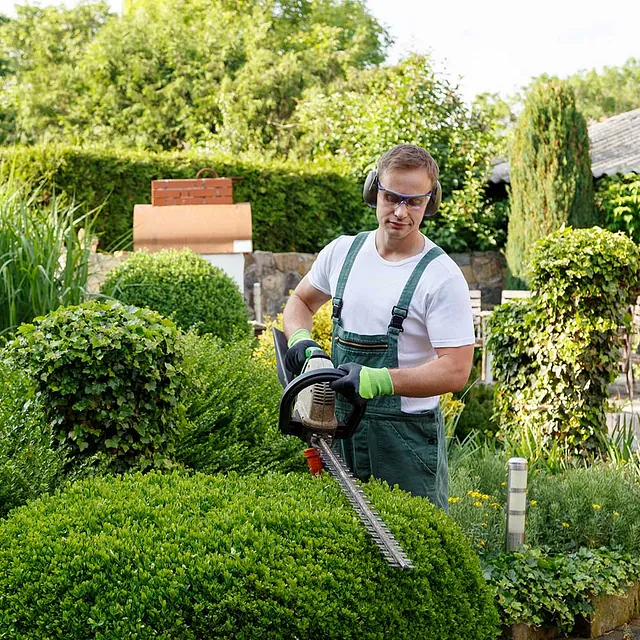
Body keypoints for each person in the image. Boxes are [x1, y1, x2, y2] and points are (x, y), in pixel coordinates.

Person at [282, 144, 475, 510]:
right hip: (337, 430)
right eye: (392, 198)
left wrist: (378, 380)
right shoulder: (342, 253)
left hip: (403, 442)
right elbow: (301, 302)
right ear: (375, 192)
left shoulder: (441, 276)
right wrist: (303, 343)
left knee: (415, 551)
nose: (401, 212)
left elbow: (456, 370)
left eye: (413, 202)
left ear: (429, 203)